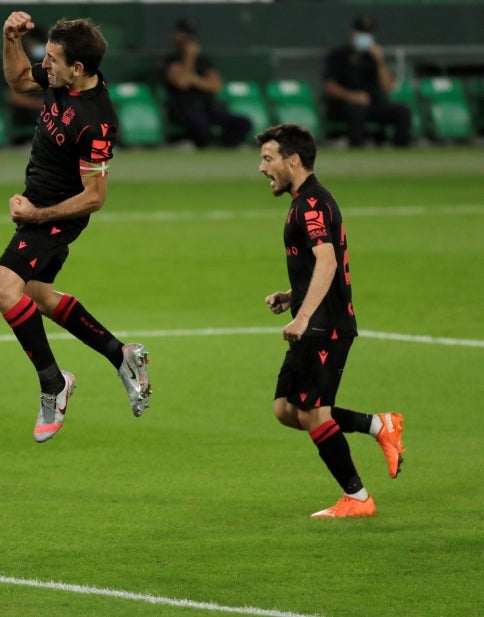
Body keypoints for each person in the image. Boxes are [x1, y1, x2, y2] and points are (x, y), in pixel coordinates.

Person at [0, 11, 152, 443]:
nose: (44, 63)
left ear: (77, 69)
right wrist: (10, 39)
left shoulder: (96, 121)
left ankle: (53, 384)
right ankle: (122, 355)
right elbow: (18, 80)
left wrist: (35, 216)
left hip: (57, 213)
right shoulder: (59, 80)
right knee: (38, 295)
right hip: (38, 203)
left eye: (53, 58)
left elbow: (95, 197)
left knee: (3, 287)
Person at [257, 123, 405, 518]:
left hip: (325, 324)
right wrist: (293, 295)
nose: (261, 167)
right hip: (315, 318)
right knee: (286, 410)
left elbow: (327, 259)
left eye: (268, 158)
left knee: (313, 413)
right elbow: (320, 264)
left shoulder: (311, 203)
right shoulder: (304, 200)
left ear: (293, 160)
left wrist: (302, 316)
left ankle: (357, 498)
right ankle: (378, 426)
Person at [322, 15, 412, 148]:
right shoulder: (338, 56)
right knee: (358, 109)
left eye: (367, 34)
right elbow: (329, 87)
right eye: (361, 33)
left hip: (374, 105)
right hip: (346, 106)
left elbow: (388, 86)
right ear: (352, 33)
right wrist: (352, 96)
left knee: (403, 111)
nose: (364, 37)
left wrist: (380, 61)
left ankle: (401, 149)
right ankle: (357, 148)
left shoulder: (374, 58)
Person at [162, 18, 252, 149]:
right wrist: (189, 57)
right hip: (184, 110)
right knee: (198, 123)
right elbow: (182, 82)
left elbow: (216, 85)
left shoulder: (203, 60)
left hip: (207, 109)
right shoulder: (170, 60)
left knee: (244, 123)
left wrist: (195, 80)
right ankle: (198, 144)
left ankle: (222, 146)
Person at [6, 24, 46, 143]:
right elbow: (14, 97)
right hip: (27, 116)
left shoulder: (49, 65)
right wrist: (42, 104)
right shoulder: (17, 66)